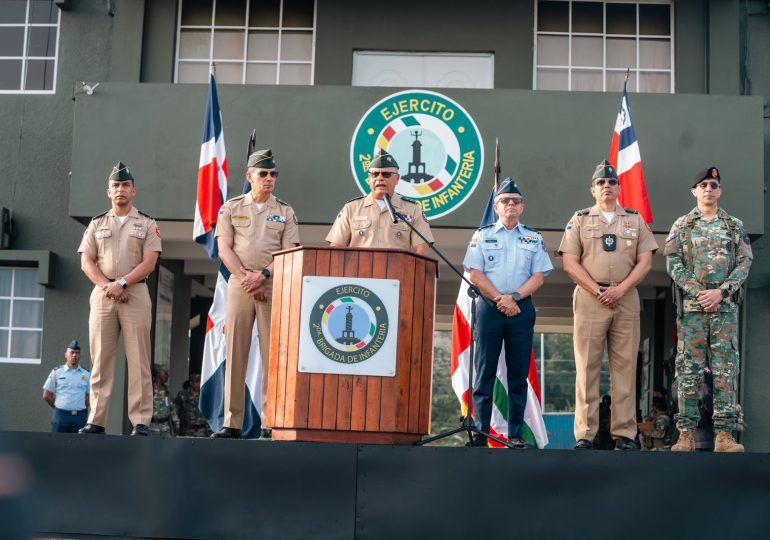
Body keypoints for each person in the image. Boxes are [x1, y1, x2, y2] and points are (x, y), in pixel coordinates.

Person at [558, 159, 658, 450]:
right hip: (590, 298)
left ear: (619, 187)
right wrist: (598, 290)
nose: (606, 186)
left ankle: (625, 434)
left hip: (625, 298)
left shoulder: (634, 220)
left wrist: (622, 289)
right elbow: (569, 263)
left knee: (625, 368)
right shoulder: (580, 219)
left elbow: (646, 261)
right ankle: (584, 434)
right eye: (601, 183)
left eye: (612, 182)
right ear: (593, 189)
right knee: (586, 367)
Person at [212, 149, 300, 439]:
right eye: (263, 174)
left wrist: (261, 276)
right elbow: (224, 248)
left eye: (273, 174)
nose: (269, 179)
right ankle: (232, 422)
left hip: (271, 284)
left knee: (272, 355)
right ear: (249, 176)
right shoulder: (231, 208)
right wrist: (245, 278)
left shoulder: (285, 211)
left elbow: (289, 253)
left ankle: (270, 421)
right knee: (235, 351)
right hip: (239, 283)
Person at [665, 166, 752, 452]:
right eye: (703, 185)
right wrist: (699, 292)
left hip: (724, 310)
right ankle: (686, 434)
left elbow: (744, 263)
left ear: (720, 190)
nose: (708, 189)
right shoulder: (682, 225)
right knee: (688, 369)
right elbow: (673, 263)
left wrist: (722, 291)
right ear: (694, 191)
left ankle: (724, 435)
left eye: (713, 185)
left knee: (726, 370)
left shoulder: (733, 225)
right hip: (692, 310)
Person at [462, 178, 553, 448]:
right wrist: (500, 299)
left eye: (515, 201)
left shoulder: (533, 238)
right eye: (504, 201)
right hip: (490, 307)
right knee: (484, 373)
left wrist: (513, 298)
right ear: (496, 206)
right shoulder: (482, 235)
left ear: (522, 207)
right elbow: (475, 274)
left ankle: (515, 434)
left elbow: (539, 277)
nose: (510, 204)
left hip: (520, 308)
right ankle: (480, 433)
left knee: (517, 374)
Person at [77, 162, 161, 436]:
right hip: (103, 294)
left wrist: (123, 282)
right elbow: (86, 261)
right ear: (108, 192)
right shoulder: (97, 223)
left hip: (135, 292)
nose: (120, 189)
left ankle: (140, 421)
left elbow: (150, 262)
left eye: (125, 185)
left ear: (133, 190)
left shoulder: (147, 223)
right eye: (116, 185)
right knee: (100, 358)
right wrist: (108, 285)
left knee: (139, 359)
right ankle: (96, 420)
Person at [326, 148, 434, 254]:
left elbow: (422, 249)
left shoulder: (413, 209)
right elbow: (336, 247)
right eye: (375, 174)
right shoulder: (351, 208)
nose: (380, 178)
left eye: (386, 174)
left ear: (397, 179)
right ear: (369, 179)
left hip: (397, 271)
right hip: (359, 271)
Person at [42, 340, 90, 433]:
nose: (74, 355)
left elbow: (91, 396)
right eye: (72, 352)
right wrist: (58, 407)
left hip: (79, 417)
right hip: (61, 417)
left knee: (79, 445)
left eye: (77, 353)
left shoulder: (86, 374)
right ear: (66, 354)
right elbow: (46, 395)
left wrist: (80, 406)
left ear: (80, 355)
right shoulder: (56, 372)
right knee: (57, 445)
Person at [640, 386, 675, 450]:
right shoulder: (655, 417)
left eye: (657, 394)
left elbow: (660, 433)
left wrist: (644, 431)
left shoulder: (663, 417)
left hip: (661, 449)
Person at [149, 367, 178, 437]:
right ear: (158, 374)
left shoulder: (166, 390)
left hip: (165, 428)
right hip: (152, 427)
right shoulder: (149, 388)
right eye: (165, 373)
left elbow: (172, 409)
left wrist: (177, 424)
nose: (167, 375)